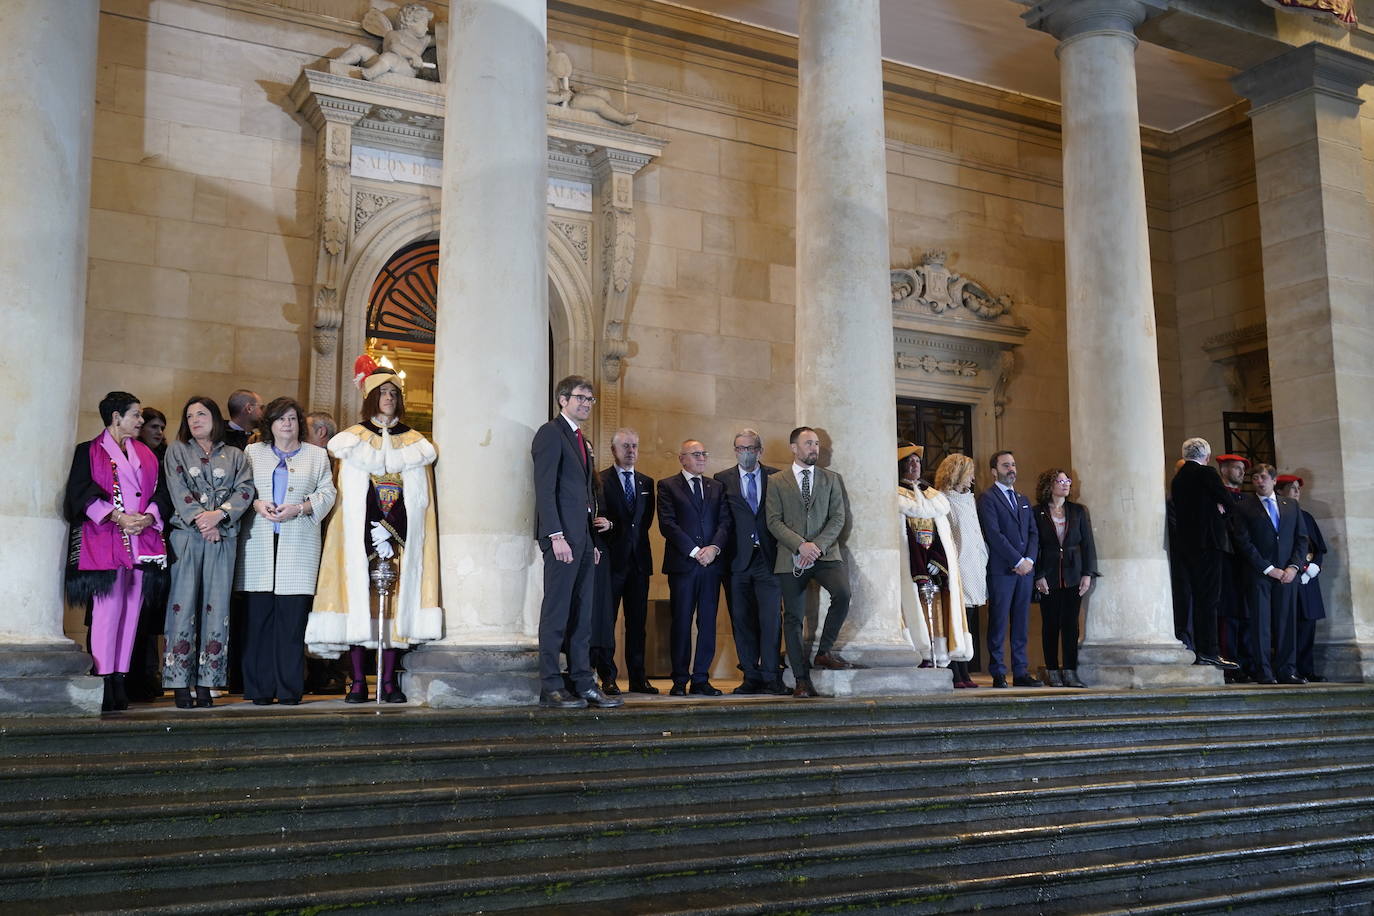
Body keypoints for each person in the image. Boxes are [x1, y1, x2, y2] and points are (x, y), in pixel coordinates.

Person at [306, 367, 442, 703]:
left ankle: (388, 682)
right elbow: (349, 494)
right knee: (359, 602)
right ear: (371, 398)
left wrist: (392, 526)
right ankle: (356, 681)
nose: (389, 399)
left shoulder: (415, 443)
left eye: (394, 393)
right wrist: (372, 527)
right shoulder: (352, 440)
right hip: (361, 533)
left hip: (399, 536)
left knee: (396, 605)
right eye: (383, 393)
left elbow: (420, 498)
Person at [63, 392, 169, 712]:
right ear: (115, 417)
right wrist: (118, 516)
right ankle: (104, 680)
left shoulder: (147, 454)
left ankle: (121, 680)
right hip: (105, 540)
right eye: (135, 415)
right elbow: (79, 492)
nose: (140, 421)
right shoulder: (88, 451)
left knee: (132, 613)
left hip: (141, 540)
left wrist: (149, 516)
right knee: (107, 613)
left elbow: (161, 493)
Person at [236, 398, 336, 705]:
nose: (287, 424)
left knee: (292, 623)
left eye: (292, 418)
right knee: (259, 622)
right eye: (281, 419)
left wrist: (301, 507)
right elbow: (243, 488)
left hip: (299, 543)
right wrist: (256, 503)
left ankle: (290, 689)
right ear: (271, 424)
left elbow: (328, 492)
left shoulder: (317, 455)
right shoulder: (253, 453)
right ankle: (260, 690)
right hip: (259, 544)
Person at [530, 375, 621, 710]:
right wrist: (555, 535)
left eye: (590, 399)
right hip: (561, 540)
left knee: (583, 615)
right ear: (562, 400)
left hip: (583, 540)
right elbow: (545, 488)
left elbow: (586, 496)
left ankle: (584, 683)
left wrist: (593, 541)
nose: (585, 403)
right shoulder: (550, 434)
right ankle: (551, 686)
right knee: (556, 614)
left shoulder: (582, 440)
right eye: (580, 397)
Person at [162, 396, 253, 708]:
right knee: (182, 605)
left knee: (217, 607)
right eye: (189, 416)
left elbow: (245, 490)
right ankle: (178, 684)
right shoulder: (177, 450)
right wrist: (204, 520)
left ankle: (208, 682)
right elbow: (177, 488)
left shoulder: (236, 455)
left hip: (223, 537)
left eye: (201, 414)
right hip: (187, 536)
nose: (195, 420)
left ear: (215, 418)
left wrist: (220, 517)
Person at [765, 426, 859, 699]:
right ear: (793, 447)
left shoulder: (831, 479)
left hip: (825, 554)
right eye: (808, 443)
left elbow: (838, 518)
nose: (814, 448)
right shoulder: (777, 481)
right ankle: (801, 680)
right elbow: (773, 520)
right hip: (790, 556)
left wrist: (816, 546)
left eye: (816, 444)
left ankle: (824, 651)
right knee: (793, 618)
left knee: (843, 593)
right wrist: (800, 545)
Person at [715, 429, 787, 696]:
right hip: (737, 562)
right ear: (735, 450)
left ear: (760, 450)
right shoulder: (722, 479)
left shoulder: (777, 477)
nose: (744, 453)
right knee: (741, 620)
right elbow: (722, 520)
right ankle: (750, 675)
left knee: (771, 620)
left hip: (769, 559)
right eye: (739, 448)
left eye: (749, 448)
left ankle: (771, 676)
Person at [657, 439, 732, 696]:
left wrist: (713, 549)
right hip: (683, 565)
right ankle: (679, 680)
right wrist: (694, 551)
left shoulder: (717, 486)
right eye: (696, 454)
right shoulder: (667, 486)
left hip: (711, 565)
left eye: (704, 453)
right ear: (682, 458)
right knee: (681, 622)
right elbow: (667, 525)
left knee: (708, 623)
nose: (702, 458)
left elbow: (725, 523)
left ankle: (701, 679)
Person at [896, 444, 972, 676]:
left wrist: (938, 559)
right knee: (913, 607)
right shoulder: (896, 495)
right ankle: (919, 653)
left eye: (917, 461)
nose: (914, 465)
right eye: (909, 461)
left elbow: (943, 534)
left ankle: (937, 654)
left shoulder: (933, 496)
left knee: (937, 608)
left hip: (933, 563)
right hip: (910, 561)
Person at [1229, 463, 1308, 685]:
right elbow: (1243, 542)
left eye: (1263, 477)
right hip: (1260, 574)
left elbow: (1301, 539)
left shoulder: (1291, 506)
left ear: (1274, 480)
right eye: (1255, 478)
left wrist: (1293, 567)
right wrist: (1268, 568)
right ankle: (1264, 671)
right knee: (1261, 624)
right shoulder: (1244, 506)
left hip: (1288, 574)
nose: (1259, 481)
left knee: (1286, 623)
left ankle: (1287, 670)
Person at [1170, 437, 1241, 671]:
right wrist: (1219, 510)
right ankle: (1209, 652)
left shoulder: (1178, 478)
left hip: (1186, 546)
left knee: (1197, 599)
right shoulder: (1207, 473)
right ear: (1207, 457)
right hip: (1209, 544)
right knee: (1209, 600)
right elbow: (1228, 502)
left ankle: (1203, 651)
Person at [597, 428, 657, 694]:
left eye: (635, 446)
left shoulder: (646, 482)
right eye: (626, 446)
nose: (631, 451)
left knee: (637, 623)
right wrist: (612, 526)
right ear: (614, 450)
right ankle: (607, 676)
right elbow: (600, 520)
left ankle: (638, 677)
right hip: (611, 561)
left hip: (639, 562)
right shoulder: (600, 480)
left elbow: (644, 523)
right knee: (606, 622)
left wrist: (617, 525)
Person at [976, 450, 1041, 688]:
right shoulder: (988, 499)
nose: (1011, 469)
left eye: (1013, 464)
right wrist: (1017, 561)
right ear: (994, 471)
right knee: (999, 622)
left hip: (1025, 572)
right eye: (1005, 466)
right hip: (1002, 571)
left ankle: (1021, 671)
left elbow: (1033, 533)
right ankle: (998, 672)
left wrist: (1030, 561)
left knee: (1021, 622)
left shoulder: (1023, 500)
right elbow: (994, 535)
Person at [1032, 468, 1099, 688]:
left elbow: (1087, 544)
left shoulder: (1078, 511)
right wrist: (1038, 575)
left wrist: (1087, 573)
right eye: (1060, 481)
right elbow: (1035, 545)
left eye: (1067, 480)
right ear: (1049, 485)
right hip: (1048, 575)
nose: (1065, 484)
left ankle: (1070, 670)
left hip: (1073, 573)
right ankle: (1052, 670)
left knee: (1071, 625)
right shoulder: (1037, 512)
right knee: (1050, 624)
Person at [935, 453, 987, 689]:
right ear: (957, 473)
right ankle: (955, 672)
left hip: (975, 565)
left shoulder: (969, 499)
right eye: (970, 473)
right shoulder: (944, 500)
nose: (973, 478)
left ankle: (965, 670)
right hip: (958, 566)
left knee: (970, 622)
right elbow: (948, 536)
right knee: (956, 620)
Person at [1276, 474, 1327, 682]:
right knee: (1290, 625)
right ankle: (1289, 668)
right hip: (1290, 575)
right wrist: (1299, 568)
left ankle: (1306, 668)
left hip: (1309, 578)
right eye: (1292, 488)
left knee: (1308, 625)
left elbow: (1319, 548)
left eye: (1298, 488)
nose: (1297, 491)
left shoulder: (1306, 516)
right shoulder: (1277, 515)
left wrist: (1314, 567)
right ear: (1279, 491)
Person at [1215, 453, 1253, 682]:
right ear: (1224, 469)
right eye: (1237, 468)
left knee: (1246, 616)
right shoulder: (1216, 497)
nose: (1241, 472)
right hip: (1226, 562)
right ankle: (1229, 667)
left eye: (1242, 468)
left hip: (1246, 564)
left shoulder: (1247, 500)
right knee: (1227, 616)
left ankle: (1246, 665)